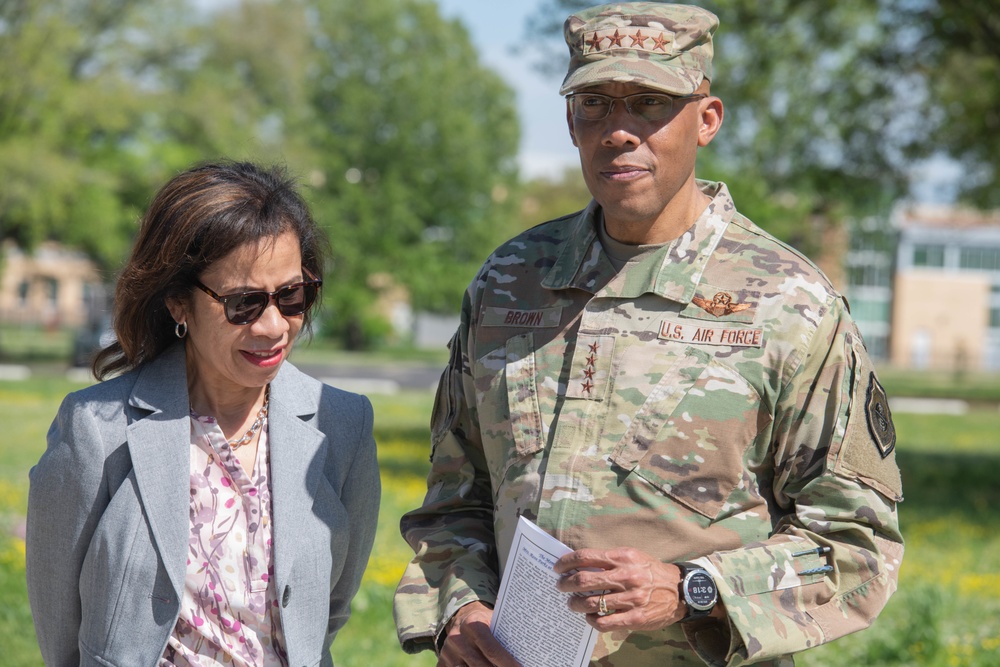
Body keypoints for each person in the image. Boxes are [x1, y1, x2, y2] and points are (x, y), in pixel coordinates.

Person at [393, 3, 903, 666]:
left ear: (707, 119)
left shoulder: (789, 303)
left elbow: (857, 545)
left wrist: (695, 590)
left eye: (650, 103)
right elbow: (454, 500)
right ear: (570, 121)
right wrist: (460, 606)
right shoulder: (510, 281)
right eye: (594, 103)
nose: (618, 131)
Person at [27, 161, 381, 666]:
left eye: (292, 296)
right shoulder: (95, 429)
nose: (273, 326)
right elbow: (58, 625)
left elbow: (329, 607)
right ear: (178, 303)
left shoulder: (342, 424)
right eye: (243, 303)